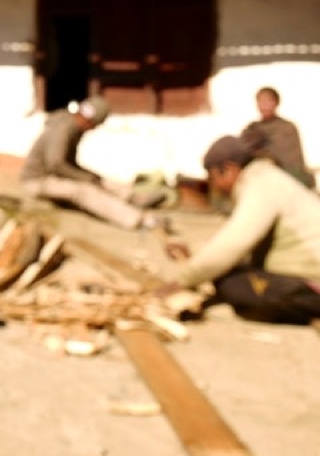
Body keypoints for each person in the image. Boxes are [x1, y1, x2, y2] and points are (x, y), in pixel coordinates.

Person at [159, 135, 320, 324]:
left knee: (233, 287)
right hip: (304, 275)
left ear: (228, 169)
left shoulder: (262, 184)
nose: (215, 186)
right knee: (226, 276)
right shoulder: (265, 179)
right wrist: (196, 252)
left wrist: (181, 281)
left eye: (213, 177)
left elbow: (234, 243)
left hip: (311, 281)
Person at [19, 95, 165, 231]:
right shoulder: (64, 128)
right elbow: (56, 164)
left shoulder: (73, 127)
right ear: (91, 121)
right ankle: (137, 219)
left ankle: (134, 197)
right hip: (37, 181)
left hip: (53, 177)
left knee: (98, 179)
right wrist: (85, 178)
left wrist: (90, 177)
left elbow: (67, 163)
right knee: (84, 190)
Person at [241, 86, 314, 189]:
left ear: (276, 103)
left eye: (268, 101)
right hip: (261, 183)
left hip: (289, 182)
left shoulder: (288, 128)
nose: (264, 105)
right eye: (261, 101)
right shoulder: (251, 130)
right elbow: (242, 156)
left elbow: (294, 162)